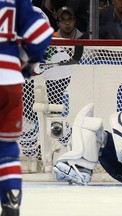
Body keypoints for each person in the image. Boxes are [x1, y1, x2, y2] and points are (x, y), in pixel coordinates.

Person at [0, 0, 53, 215]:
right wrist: (32, 62)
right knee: (6, 149)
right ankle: (11, 201)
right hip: (10, 80)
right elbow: (41, 34)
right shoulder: (16, 4)